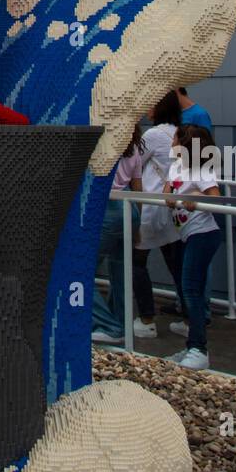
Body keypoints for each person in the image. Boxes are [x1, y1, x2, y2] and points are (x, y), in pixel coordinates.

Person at [163, 125, 222, 370]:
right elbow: (166, 197)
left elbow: (215, 199)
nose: (171, 140)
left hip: (203, 234)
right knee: (188, 289)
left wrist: (197, 197)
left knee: (191, 289)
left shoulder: (201, 170)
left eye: (175, 137)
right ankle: (192, 346)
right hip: (188, 234)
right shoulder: (176, 166)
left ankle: (198, 348)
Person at [131, 91, 186, 331]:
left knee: (137, 262)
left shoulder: (153, 134)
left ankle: (146, 319)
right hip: (172, 205)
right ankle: (189, 319)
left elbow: (135, 162)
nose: (146, 108)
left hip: (151, 206)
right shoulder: (181, 132)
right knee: (177, 266)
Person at [92, 125, 142, 343]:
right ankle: (122, 325)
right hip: (130, 208)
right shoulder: (134, 149)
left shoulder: (101, 147)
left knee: (78, 270)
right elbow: (138, 188)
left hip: (106, 208)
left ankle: (109, 326)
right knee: (120, 273)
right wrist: (139, 225)